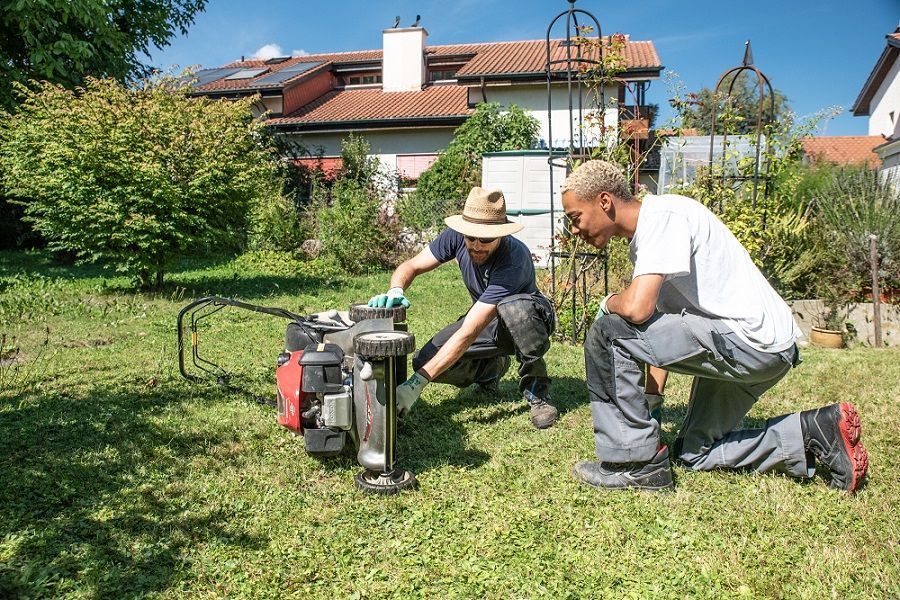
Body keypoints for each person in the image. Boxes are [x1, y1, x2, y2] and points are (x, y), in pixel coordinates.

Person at [560, 160, 869, 493]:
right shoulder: (651, 237)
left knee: (608, 331)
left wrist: (608, 302)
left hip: (744, 341)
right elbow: (652, 325)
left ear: (604, 201)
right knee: (695, 453)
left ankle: (634, 465)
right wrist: (649, 405)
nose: (574, 230)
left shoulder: (663, 217)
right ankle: (813, 432)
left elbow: (636, 309)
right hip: (763, 349)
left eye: (575, 218)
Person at [368, 187, 558, 429]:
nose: (477, 245)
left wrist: (416, 384)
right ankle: (491, 369)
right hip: (488, 319)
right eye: (471, 238)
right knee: (425, 360)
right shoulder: (456, 236)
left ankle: (537, 391)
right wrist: (396, 289)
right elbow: (412, 265)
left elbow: (469, 331)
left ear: (500, 234)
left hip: (530, 318)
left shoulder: (514, 258)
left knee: (514, 309)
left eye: (486, 239)